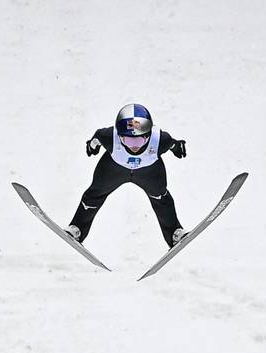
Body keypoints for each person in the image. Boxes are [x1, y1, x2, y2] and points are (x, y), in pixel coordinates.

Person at [65, 103, 188, 249]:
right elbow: (97, 137)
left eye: (139, 140)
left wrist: (177, 147)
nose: (134, 146)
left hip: (149, 172)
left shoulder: (161, 140)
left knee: (161, 197)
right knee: (94, 194)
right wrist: (92, 145)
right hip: (114, 170)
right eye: (128, 140)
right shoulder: (109, 137)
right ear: (119, 136)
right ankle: (77, 228)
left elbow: (172, 144)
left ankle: (174, 232)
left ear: (148, 135)